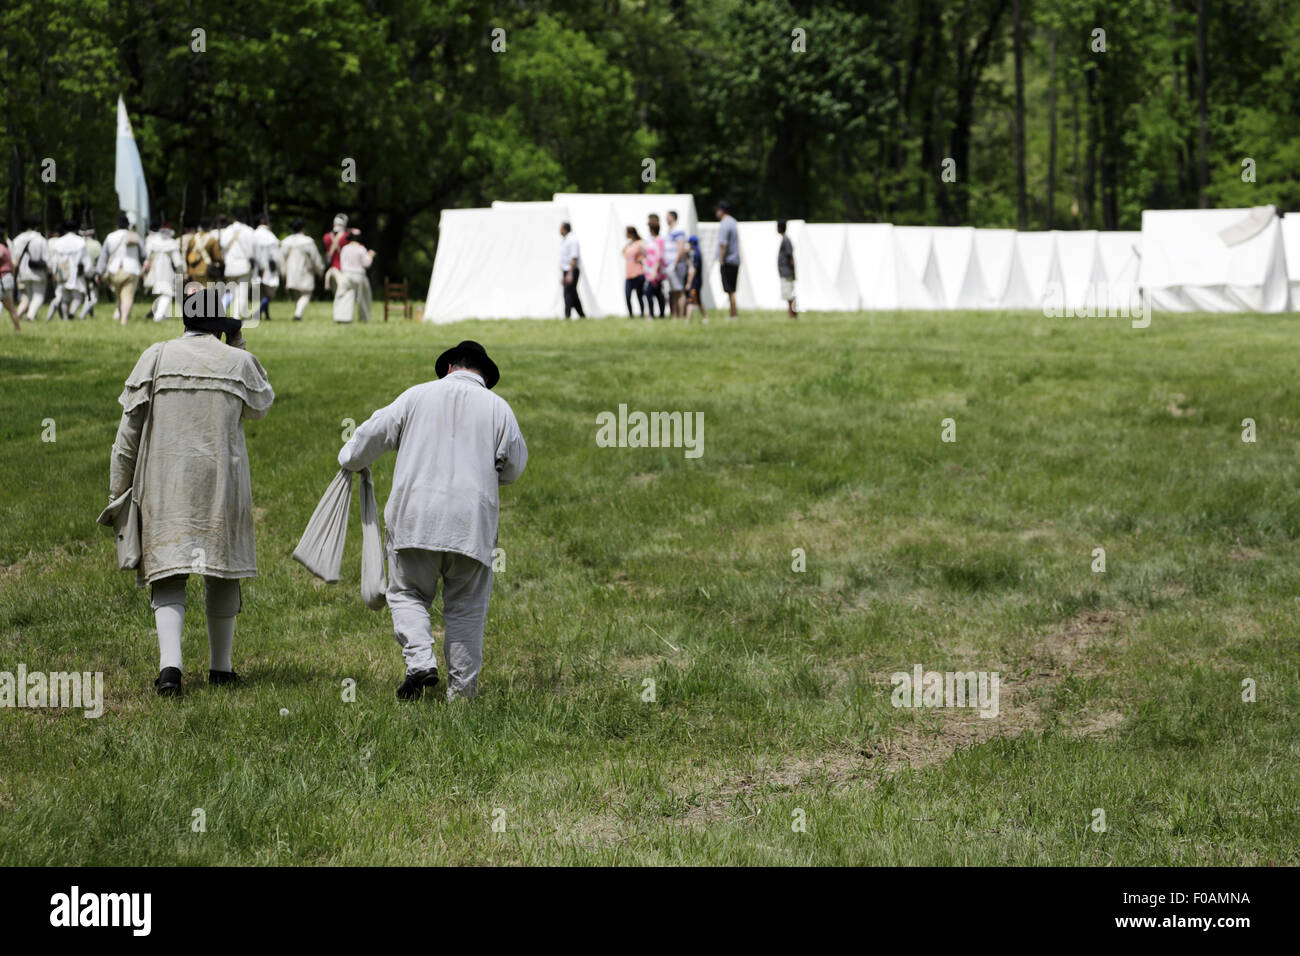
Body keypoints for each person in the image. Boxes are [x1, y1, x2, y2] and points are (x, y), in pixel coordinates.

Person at [105, 280, 273, 695]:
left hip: (166, 483)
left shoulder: (156, 356)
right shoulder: (237, 361)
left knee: (169, 571)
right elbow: (261, 406)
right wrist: (238, 344)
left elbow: (127, 434)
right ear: (221, 325)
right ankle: (221, 668)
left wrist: (117, 492)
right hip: (223, 483)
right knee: (223, 570)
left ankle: (170, 669)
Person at [337, 340, 527, 700]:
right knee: (466, 610)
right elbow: (514, 467)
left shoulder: (416, 396)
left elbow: (371, 434)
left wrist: (349, 459)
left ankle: (421, 661)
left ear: (450, 367)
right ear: (483, 375)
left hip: (415, 518)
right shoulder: (499, 408)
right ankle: (462, 695)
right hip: (471, 525)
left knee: (408, 594)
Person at [97, 215, 145, 324]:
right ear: (128, 225)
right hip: (131, 269)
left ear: (116, 225)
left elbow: (103, 257)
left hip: (114, 270)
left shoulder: (110, 236)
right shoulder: (134, 236)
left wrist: (98, 272)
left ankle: (120, 315)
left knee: (119, 295)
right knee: (127, 295)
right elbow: (143, 253)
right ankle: (123, 320)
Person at [44, 221, 91, 320]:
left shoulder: (59, 242)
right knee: (77, 296)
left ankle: (65, 318)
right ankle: (72, 313)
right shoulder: (80, 241)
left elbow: (55, 260)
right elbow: (85, 259)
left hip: (63, 272)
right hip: (76, 272)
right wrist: (87, 272)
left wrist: (54, 272)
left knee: (64, 297)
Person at [281, 219, 323, 320]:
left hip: (290, 271)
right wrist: (319, 270)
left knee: (297, 294)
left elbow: (281, 259)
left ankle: (297, 312)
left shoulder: (286, 241)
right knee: (306, 293)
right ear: (303, 229)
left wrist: (283, 273)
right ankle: (298, 314)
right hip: (305, 270)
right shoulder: (308, 241)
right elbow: (315, 257)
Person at [219, 211, 256, 319]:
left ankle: (219, 312)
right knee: (242, 292)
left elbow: (222, 245)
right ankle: (237, 316)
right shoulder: (249, 231)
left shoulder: (228, 230)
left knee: (230, 291)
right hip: (244, 265)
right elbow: (252, 250)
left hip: (230, 265)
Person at [333, 229, 374, 323]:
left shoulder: (345, 248)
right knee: (363, 298)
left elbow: (342, 262)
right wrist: (370, 256)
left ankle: (342, 317)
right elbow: (366, 263)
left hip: (346, 275)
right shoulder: (361, 249)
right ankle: (364, 318)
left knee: (343, 295)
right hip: (359, 276)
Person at [144, 221, 183, 321]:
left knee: (161, 293)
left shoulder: (152, 241)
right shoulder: (172, 243)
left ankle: (164, 316)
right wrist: (181, 273)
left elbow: (147, 257)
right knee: (167, 294)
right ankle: (158, 316)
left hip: (154, 269)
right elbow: (178, 262)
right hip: (166, 269)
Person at [12, 218, 50, 321]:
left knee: (29, 296)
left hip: (22, 273)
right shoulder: (40, 239)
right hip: (38, 273)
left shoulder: (17, 239)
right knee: (38, 297)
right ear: (37, 227)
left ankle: (27, 315)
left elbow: (14, 259)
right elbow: (47, 259)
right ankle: (30, 316)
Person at [252, 213, 283, 322]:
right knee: (269, 293)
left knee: (261, 294)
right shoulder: (271, 237)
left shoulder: (253, 235)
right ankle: (258, 312)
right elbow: (276, 256)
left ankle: (266, 315)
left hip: (255, 268)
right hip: (268, 268)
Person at [714, 200, 741, 319]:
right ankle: (733, 313)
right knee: (732, 289)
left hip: (728, 260)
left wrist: (721, 259)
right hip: (735, 259)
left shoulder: (725, 224)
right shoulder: (733, 222)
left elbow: (723, 244)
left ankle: (733, 314)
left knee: (730, 290)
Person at [322, 214, 355, 293]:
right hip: (343, 268)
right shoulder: (347, 236)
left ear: (334, 223)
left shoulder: (326, 237)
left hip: (331, 269)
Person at [183, 218, 224, 282]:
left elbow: (187, 255)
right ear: (211, 226)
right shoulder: (212, 240)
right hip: (206, 271)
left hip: (192, 271)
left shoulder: (193, 238)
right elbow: (217, 257)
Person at [664, 210, 688, 317]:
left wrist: (676, 263)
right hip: (669, 264)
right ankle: (674, 314)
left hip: (676, 265)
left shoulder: (678, 230)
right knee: (673, 291)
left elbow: (681, 247)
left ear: (672, 217)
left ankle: (682, 314)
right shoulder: (669, 231)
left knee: (679, 291)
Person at [559, 221, 584, 319]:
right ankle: (582, 315)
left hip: (572, 270)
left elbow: (574, 257)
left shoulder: (572, 240)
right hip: (567, 270)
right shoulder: (566, 240)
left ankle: (567, 316)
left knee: (568, 294)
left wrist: (570, 273)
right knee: (572, 294)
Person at [642, 215, 665, 319]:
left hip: (655, 271)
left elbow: (658, 256)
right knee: (657, 292)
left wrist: (654, 271)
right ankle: (659, 314)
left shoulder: (659, 240)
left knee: (650, 292)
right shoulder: (652, 240)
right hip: (649, 270)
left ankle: (653, 314)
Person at [77, 227, 102, 319]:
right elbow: (100, 260)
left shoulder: (78, 243)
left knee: (87, 296)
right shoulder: (96, 244)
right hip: (92, 273)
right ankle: (82, 316)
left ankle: (91, 315)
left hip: (78, 273)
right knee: (93, 297)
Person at [623, 226, 645, 317]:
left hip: (638, 273)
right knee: (627, 295)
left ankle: (642, 314)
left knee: (639, 295)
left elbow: (646, 254)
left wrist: (641, 260)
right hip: (629, 274)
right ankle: (631, 315)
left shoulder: (640, 243)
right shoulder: (628, 245)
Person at [0, 234, 21, 331]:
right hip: (6, 278)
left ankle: (18, 329)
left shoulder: (1, 248)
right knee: (11, 308)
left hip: (3, 279)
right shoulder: (5, 248)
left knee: (10, 307)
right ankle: (17, 329)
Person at [777, 218, 797, 319]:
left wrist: (793, 271)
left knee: (789, 294)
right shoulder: (785, 239)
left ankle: (791, 313)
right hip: (785, 271)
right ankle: (792, 313)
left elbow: (790, 257)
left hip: (787, 272)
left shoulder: (786, 240)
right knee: (788, 293)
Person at [684, 235, 707, 323]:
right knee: (697, 299)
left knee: (691, 299)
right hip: (697, 281)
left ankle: (687, 320)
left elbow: (693, 270)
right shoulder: (696, 253)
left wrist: (689, 282)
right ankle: (705, 317)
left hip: (695, 281)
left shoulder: (696, 254)